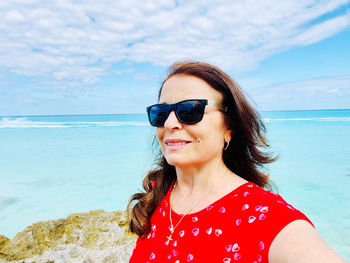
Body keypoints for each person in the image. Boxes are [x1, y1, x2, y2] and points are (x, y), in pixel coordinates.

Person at [127, 61, 347, 263]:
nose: (170, 123)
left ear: (229, 126)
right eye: (161, 113)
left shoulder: (263, 216)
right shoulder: (158, 193)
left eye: (190, 110)